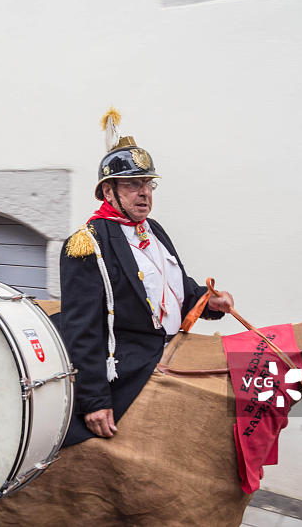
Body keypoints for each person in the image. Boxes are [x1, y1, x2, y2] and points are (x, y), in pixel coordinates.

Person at [60, 110, 234, 446]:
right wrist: (94, 400)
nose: (144, 193)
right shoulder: (85, 244)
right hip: (129, 358)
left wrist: (206, 300)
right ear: (108, 192)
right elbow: (80, 329)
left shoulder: (153, 230)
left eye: (147, 184)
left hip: (172, 346)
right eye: (132, 185)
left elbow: (174, 286)